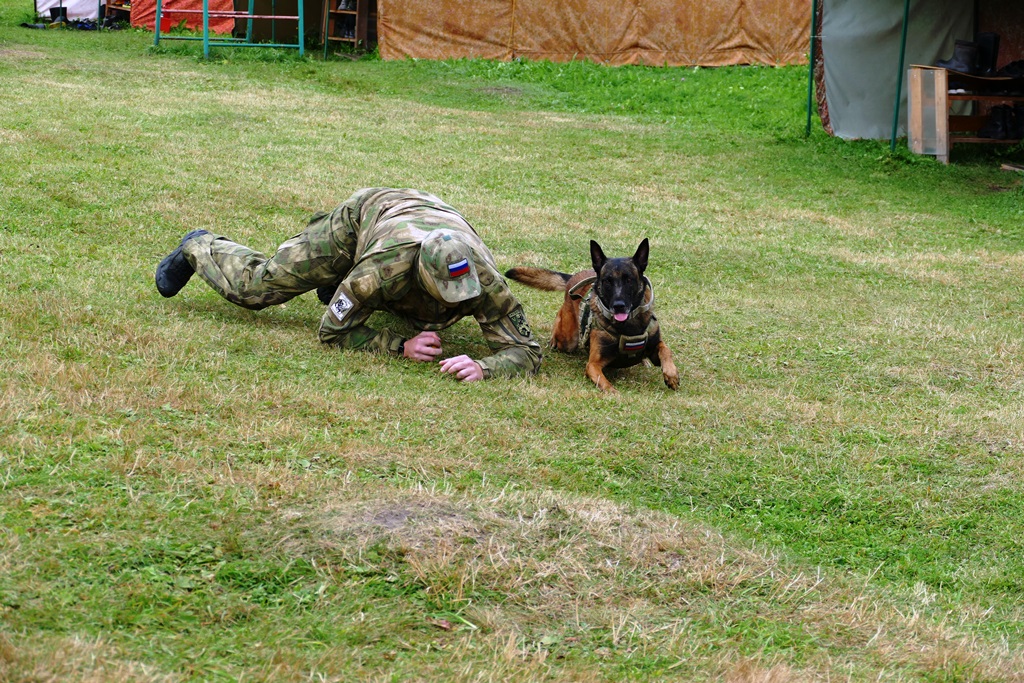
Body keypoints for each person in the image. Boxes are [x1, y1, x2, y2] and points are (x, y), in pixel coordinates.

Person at [155, 187, 542, 381]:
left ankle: (334, 279)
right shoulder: (382, 269)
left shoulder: (483, 279)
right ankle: (199, 245)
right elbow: (332, 331)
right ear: (420, 276)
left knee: (411, 312)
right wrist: (399, 346)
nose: (455, 302)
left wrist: (484, 366)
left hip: (435, 214)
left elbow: (527, 350)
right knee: (259, 288)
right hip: (365, 217)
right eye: (443, 291)